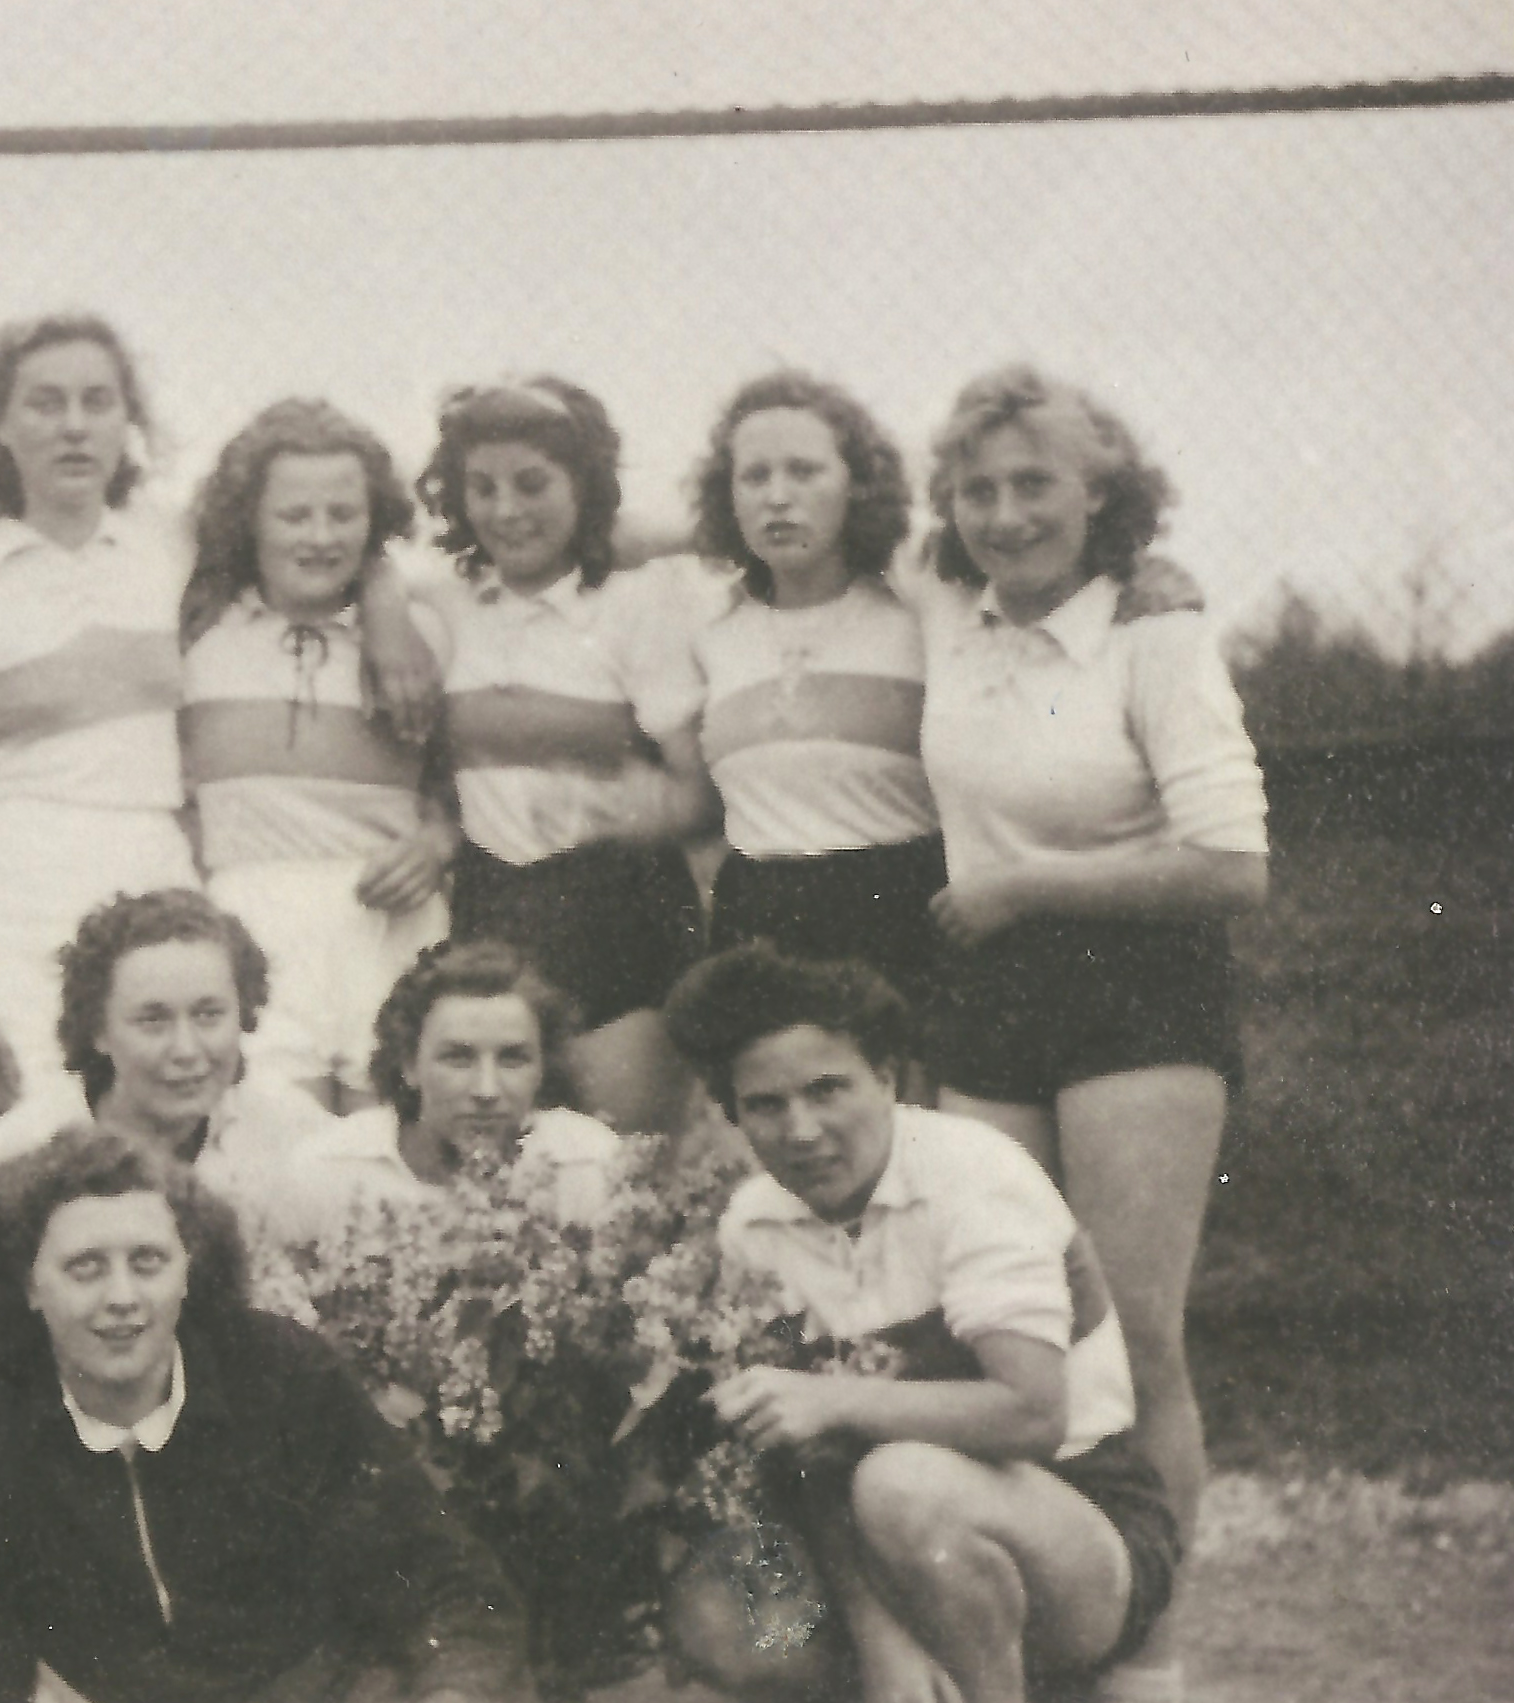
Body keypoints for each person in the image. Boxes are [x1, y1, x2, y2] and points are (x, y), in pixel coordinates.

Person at [916, 366, 1268, 1703]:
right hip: (989, 991)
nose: (1005, 514)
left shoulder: (1152, 631)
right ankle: (1037, 1616)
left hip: (1138, 995)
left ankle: (1144, 1651)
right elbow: (747, 521)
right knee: (998, 1319)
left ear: (1100, 494)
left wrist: (1028, 885)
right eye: (978, 489)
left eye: (1036, 484)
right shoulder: (943, 604)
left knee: (1132, 1333)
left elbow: (1231, 863)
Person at [0, 313, 441, 1134]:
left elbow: (310, 528)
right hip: (7, 895)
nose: (74, 425)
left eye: (97, 401)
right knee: (15, 1150)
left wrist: (386, 600)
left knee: (174, 1144)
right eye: (44, 402)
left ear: (129, 421)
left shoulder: (169, 547)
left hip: (156, 875)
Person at [660, 944, 1180, 1703]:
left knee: (902, 1483)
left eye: (828, 1090)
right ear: (734, 1113)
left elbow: (1033, 1412)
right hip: (873, 1536)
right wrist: (881, 1636)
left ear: (887, 1078)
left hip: (1073, 1520)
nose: (801, 1130)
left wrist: (834, 1398)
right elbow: (809, 1460)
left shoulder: (972, 1177)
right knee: (725, 1616)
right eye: (765, 1105)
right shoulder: (753, 1223)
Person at [0, 1125, 534, 1703]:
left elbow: (450, 1587)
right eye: (85, 1268)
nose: (123, 1297)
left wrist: (452, 1692)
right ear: (29, 1285)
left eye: (148, 1262)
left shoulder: (285, 1377)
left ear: (189, 1271)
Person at [0, 889, 331, 1614]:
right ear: (96, 1027)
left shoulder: (301, 1143)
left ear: (244, 1013)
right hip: (70, 1487)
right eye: (152, 1020)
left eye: (210, 1014)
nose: (187, 1049)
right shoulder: (3, 1167)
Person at [411, 376, 726, 1137]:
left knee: (621, 1165)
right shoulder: (451, 602)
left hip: (616, 904)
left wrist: (634, 812)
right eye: (482, 487)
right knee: (497, 1166)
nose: (506, 510)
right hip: (491, 905)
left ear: (583, 482)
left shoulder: (637, 601)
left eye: (532, 483)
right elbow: (381, 577)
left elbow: (704, 798)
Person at [179, 397, 457, 1112]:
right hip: (250, 915)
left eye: (343, 514)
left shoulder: (423, 632)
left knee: (393, 1140)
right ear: (248, 519)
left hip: (391, 918)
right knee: (270, 1135)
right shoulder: (198, 632)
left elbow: (463, 787)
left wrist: (436, 845)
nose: (321, 536)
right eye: (294, 515)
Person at [686, 372, 945, 1018]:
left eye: (804, 471)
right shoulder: (710, 630)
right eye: (755, 476)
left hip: (898, 913)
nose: (778, 497)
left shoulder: (922, 611)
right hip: (756, 920)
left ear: (857, 484)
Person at [281, 940, 619, 1237]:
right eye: (458, 1058)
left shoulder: (589, 1164)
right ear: (409, 1064)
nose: (486, 1090)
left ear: (543, 1067)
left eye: (512, 1059)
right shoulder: (326, 1172)